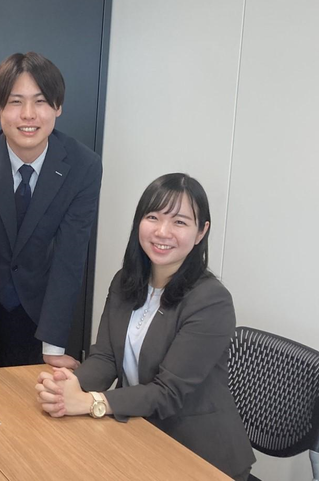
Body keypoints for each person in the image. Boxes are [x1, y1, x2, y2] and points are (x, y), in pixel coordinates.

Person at [35, 173, 255, 481]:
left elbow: (168, 393)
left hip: (196, 453)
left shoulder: (211, 301)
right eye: (153, 217)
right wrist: (66, 387)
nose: (162, 231)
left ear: (201, 232)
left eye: (179, 222)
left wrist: (92, 402)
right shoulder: (125, 282)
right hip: (137, 431)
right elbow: (106, 358)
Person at [0, 52, 103, 374]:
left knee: (26, 385)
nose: (28, 114)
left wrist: (53, 347)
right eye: (15, 102)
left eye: (40, 101)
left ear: (57, 106)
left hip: (35, 291)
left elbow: (70, 256)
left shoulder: (84, 166)